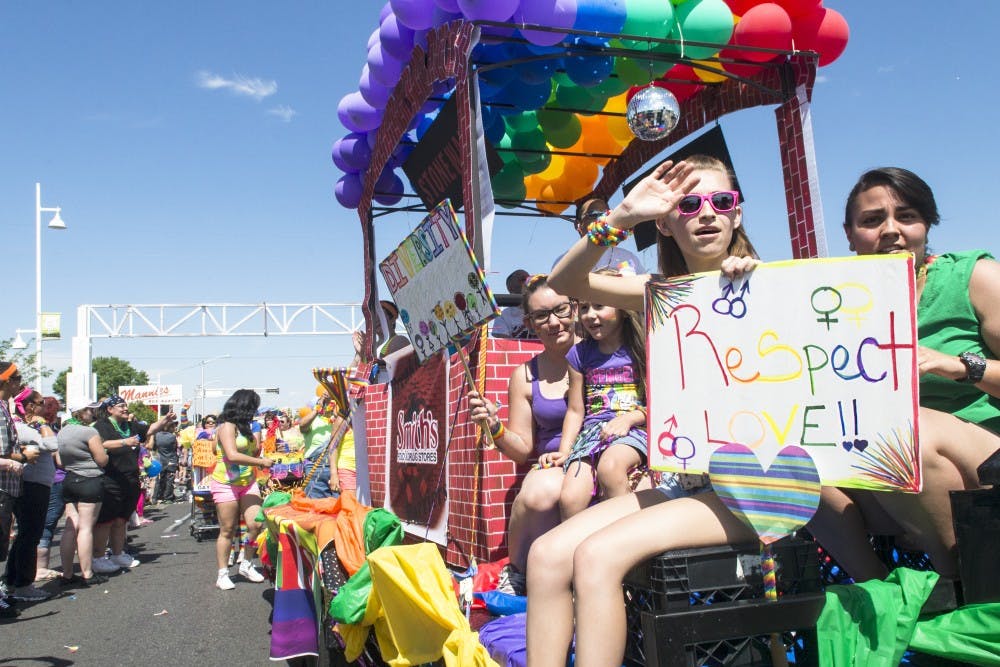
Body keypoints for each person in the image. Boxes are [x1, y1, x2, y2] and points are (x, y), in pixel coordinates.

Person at [531, 155, 760, 667]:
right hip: (689, 482)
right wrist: (621, 216)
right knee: (546, 556)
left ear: (737, 213)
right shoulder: (659, 292)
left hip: (755, 484)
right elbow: (568, 281)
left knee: (596, 556)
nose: (706, 213)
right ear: (666, 221)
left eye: (721, 201)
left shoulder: (770, 285)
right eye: (689, 203)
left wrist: (752, 282)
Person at [806, 167, 1000, 583]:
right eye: (873, 220)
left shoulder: (972, 277)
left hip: (983, 454)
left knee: (902, 429)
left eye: (906, 216)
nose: (891, 230)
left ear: (926, 224)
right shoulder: (834, 302)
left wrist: (962, 367)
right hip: (899, 469)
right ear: (850, 234)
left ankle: (962, 585)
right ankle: (880, 592)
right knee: (792, 463)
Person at [467, 274, 577, 596]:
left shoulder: (597, 355)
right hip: (553, 466)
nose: (554, 322)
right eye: (542, 315)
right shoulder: (525, 376)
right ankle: (518, 573)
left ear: (575, 308)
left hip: (596, 455)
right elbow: (521, 449)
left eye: (560, 310)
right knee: (540, 494)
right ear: (529, 322)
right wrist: (494, 423)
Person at [554, 283, 647, 518]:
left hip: (634, 428)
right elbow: (576, 410)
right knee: (570, 497)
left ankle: (628, 542)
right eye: (584, 307)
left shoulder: (642, 348)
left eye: (599, 305)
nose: (590, 315)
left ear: (623, 309)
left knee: (611, 468)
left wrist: (632, 418)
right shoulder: (578, 354)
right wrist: (565, 450)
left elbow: (660, 403)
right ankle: (571, 550)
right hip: (592, 433)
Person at [90, 396, 174, 574]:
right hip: (111, 479)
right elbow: (100, 444)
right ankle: (98, 557)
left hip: (131, 478)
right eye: (121, 406)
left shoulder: (131, 425)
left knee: (122, 520)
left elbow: (150, 429)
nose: (125, 409)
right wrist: (123, 442)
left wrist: (163, 420)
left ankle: (118, 553)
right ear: (110, 409)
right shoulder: (102, 425)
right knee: (105, 521)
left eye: (125, 406)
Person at [211, 389, 273, 590]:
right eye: (253, 407)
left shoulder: (247, 427)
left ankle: (246, 563)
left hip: (248, 482)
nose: (255, 411)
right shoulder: (227, 426)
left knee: (256, 524)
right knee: (227, 529)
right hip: (225, 483)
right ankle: (222, 573)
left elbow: (252, 450)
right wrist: (260, 461)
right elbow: (231, 454)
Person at [5, 389, 59, 602]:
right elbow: (53, 445)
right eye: (39, 403)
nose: (43, 407)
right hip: (32, 486)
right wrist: (43, 424)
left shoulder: (25, 427)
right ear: (29, 406)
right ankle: (23, 585)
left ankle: (13, 580)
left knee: (26, 535)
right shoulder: (22, 427)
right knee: (30, 535)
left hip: (36, 484)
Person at [0, 363, 39, 617]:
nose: (19, 383)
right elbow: (3, 452)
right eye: (16, 378)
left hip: (8, 487)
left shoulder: (5, 408)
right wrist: (24, 455)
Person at [56, 399, 108, 586]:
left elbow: (60, 462)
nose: (92, 413)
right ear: (82, 412)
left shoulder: (63, 431)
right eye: (90, 410)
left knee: (71, 528)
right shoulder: (89, 431)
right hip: (90, 479)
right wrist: (106, 453)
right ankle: (87, 573)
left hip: (69, 479)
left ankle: (67, 574)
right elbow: (101, 459)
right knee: (86, 528)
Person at [550, 197, 648, 276]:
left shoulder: (629, 257)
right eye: (593, 215)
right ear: (578, 225)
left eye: (606, 214)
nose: (601, 218)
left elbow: (645, 292)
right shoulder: (564, 263)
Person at [35, 396, 65, 581]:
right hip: (54, 479)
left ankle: (37, 568)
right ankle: (40, 568)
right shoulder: (45, 428)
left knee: (42, 523)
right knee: (47, 523)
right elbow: (59, 458)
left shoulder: (41, 427)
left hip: (46, 479)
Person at [491, 269, 531, 338]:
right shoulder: (503, 316)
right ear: (511, 288)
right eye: (523, 279)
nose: (528, 282)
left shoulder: (543, 308)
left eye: (529, 279)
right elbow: (503, 345)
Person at [151, 420, 180, 504]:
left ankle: (155, 497)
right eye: (173, 426)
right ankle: (168, 497)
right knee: (169, 479)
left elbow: (154, 447)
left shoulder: (157, 435)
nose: (174, 428)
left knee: (159, 479)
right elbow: (174, 448)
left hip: (160, 459)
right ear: (170, 427)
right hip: (171, 459)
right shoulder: (172, 437)